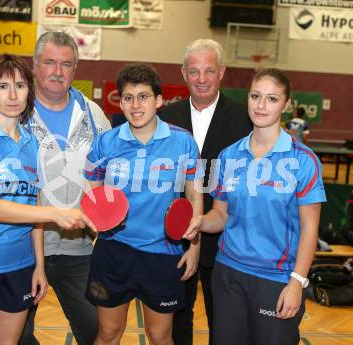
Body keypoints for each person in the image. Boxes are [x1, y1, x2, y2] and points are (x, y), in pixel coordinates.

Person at [0, 54, 95, 345]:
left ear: (29, 92)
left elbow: (31, 206)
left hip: (20, 265)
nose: (12, 95)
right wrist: (56, 213)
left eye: (20, 86)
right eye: (2, 86)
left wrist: (38, 265)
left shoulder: (31, 141)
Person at [185, 68, 326, 345]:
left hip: (277, 279)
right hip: (228, 275)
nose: (261, 105)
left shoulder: (305, 161)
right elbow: (221, 214)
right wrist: (201, 221)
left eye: (272, 99)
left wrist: (297, 282)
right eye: (255, 96)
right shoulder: (228, 156)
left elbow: (311, 228)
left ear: (286, 105)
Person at [84, 63, 204, 345]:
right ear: (120, 102)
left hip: (163, 253)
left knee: (160, 336)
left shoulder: (183, 142)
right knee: (108, 333)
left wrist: (195, 247)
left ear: (159, 100)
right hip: (114, 251)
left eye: (143, 96)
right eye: (128, 97)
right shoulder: (106, 142)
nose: (135, 105)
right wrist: (98, 226)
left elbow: (194, 196)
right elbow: (93, 190)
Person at [19, 32, 111, 345]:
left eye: (66, 64)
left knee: (99, 332)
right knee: (16, 335)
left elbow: (110, 175)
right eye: (50, 63)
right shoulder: (15, 114)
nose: (58, 71)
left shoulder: (94, 115)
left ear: (75, 69)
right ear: (34, 66)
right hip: (24, 249)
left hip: (80, 248)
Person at [159, 38, 252, 345]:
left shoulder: (245, 118)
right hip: (176, 236)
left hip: (226, 237)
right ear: (183, 73)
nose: (201, 79)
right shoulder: (165, 118)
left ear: (222, 72)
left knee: (224, 325)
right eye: (194, 71)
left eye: (209, 71)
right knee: (177, 321)